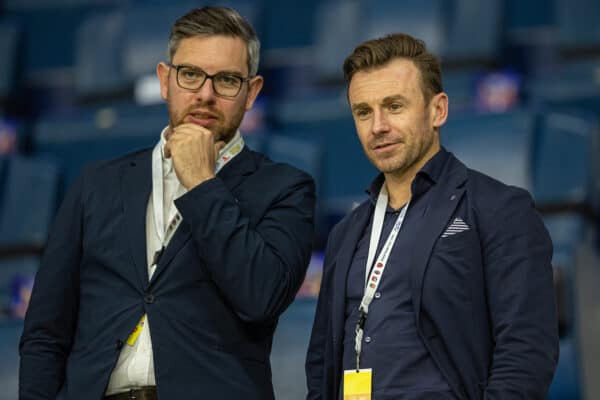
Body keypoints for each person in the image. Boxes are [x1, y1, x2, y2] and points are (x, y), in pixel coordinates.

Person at [20, 6, 315, 400]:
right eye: (190, 74)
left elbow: (260, 297)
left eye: (226, 80)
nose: (205, 94)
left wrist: (202, 183)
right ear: (164, 80)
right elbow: (45, 332)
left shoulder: (286, 188)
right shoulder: (96, 184)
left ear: (252, 93)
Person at [306, 33, 558, 400]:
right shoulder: (346, 234)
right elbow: (321, 365)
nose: (378, 126)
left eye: (394, 106)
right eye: (364, 111)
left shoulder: (499, 210)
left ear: (437, 110)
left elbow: (526, 353)